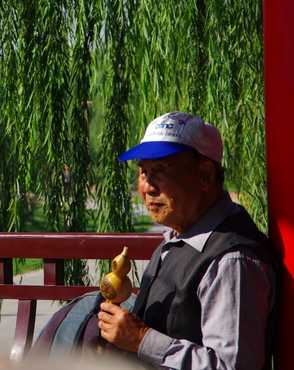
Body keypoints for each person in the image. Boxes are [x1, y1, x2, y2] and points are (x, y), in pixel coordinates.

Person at [97, 112, 278, 369]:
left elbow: (231, 366)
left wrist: (141, 339)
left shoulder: (232, 261)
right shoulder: (178, 236)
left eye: (161, 170)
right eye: (144, 171)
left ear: (205, 176)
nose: (148, 186)